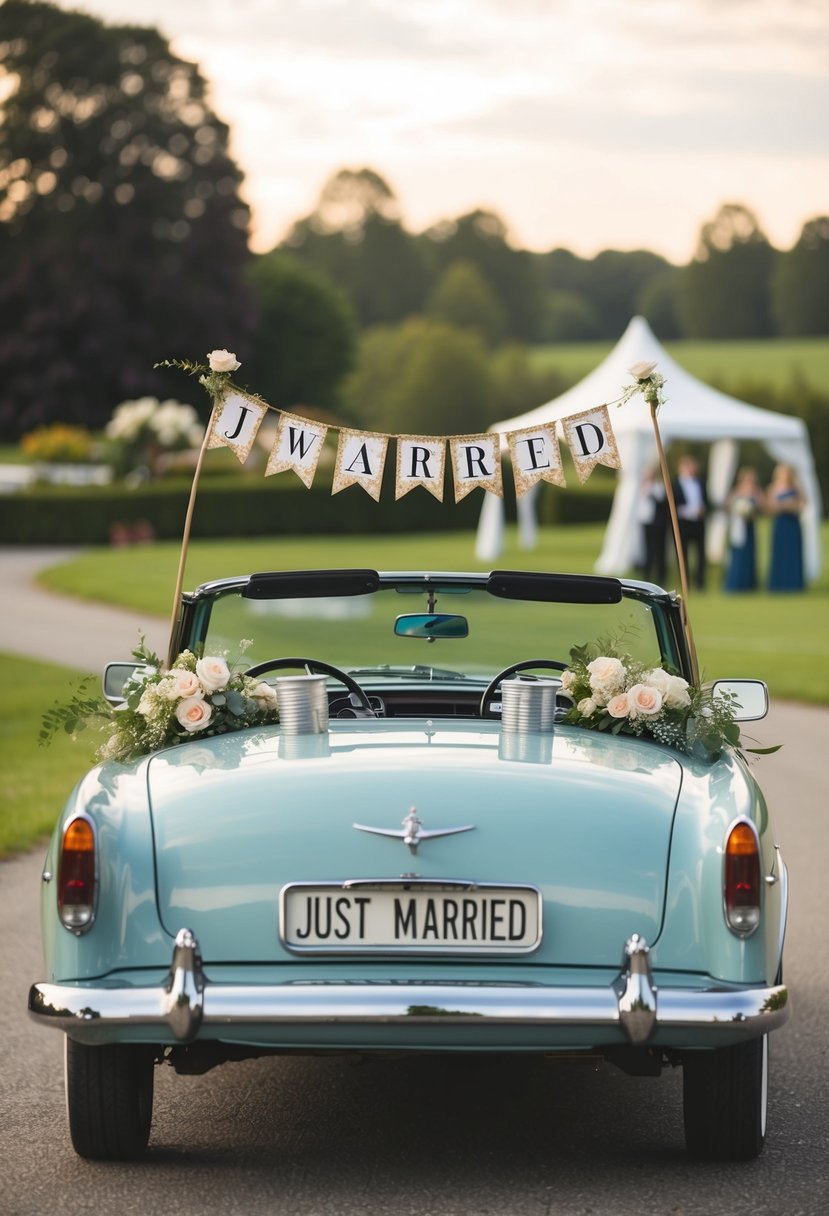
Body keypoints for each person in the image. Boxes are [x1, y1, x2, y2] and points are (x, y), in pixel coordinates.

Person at [724, 467, 764, 593]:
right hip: (738, 528)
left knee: (750, 555)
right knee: (738, 556)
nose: (749, 482)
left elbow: (763, 507)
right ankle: (736, 583)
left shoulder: (757, 492)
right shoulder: (736, 492)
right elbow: (728, 506)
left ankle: (750, 584)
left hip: (750, 527)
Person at [767, 464, 806, 592]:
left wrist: (790, 506)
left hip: (792, 523)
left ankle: (793, 583)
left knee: (792, 553)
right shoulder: (773, 488)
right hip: (780, 523)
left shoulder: (797, 488)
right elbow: (770, 506)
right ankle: (779, 583)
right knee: (780, 553)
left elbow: (803, 504)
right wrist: (784, 506)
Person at [673, 455, 708, 590]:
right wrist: (690, 510)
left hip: (699, 523)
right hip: (683, 524)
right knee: (683, 553)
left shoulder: (700, 482)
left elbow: (706, 500)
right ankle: (685, 581)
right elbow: (673, 506)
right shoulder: (675, 484)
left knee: (700, 553)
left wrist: (703, 509)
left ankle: (700, 582)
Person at [637, 467, 668, 586]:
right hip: (647, 522)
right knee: (648, 550)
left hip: (658, 523)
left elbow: (661, 501)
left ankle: (661, 576)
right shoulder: (641, 487)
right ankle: (646, 575)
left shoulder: (659, 486)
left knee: (660, 550)